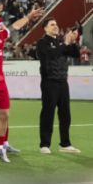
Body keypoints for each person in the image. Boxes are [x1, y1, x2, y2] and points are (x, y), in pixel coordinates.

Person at [0, 4, 40, 163]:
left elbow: (15, 26)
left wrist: (29, 17)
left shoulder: (0, 35)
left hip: (0, 81)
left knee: (4, 115)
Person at [36, 18, 82, 154]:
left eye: (56, 24)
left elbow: (76, 54)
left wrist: (72, 42)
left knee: (65, 114)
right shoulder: (42, 43)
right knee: (48, 113)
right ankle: (44, 144)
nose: (55, 26)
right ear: (45, 28)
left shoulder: (60, 42)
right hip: (49, 82)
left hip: (63, 82)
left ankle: (65, 144)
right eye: (52, 24)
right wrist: (65, 43)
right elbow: (52, 55)